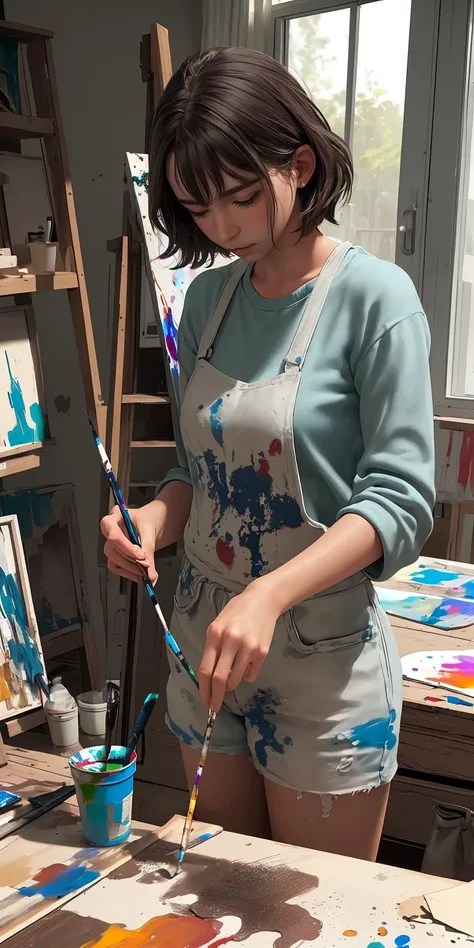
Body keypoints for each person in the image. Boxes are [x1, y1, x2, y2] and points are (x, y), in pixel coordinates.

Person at [101, 47, 435, 861]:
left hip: (322, 659)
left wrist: (270, 594)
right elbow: (197, 469)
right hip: (206, 646)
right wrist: (150, 518)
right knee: (220, 895)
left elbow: (398, 501)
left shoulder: (375, 299)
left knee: (308, 916)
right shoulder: (210, 299)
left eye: (243, 198)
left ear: (302, 163)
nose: (223, 228)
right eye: (198, 208)